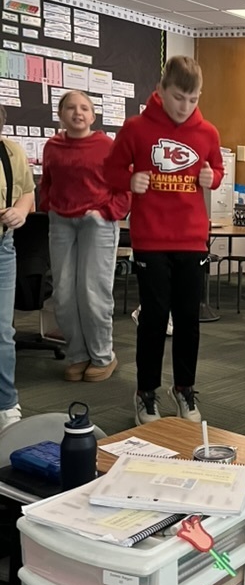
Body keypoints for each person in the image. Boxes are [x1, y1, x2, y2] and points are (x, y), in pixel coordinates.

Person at [104, 56, 223, 426]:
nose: (185, 107)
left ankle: (184, 388)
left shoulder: (208, 133)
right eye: (177, 97)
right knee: (155, 318)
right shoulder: (137, 128)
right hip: (151, 239)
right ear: (160, 90)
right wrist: (129, 181)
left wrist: (211, 178)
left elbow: (216, 169)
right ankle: (146, 392)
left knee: (189, 319)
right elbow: (110, 169)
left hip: (191, 239)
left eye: (192, 99)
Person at [38, 90, 129, 382]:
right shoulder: (52, 146)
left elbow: (125, 186)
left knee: (93, 293)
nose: (78, 113)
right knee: (63, 293)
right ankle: (78, 354)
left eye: (84, 108)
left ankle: (103, 356)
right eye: (71, 108)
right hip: (61, 223)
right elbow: (47, 184)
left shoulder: (106, 145)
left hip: (97, 223)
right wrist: (49, 208)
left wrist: (106, 213)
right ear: (61, 114)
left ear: (92, 115)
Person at [0, 105, 35, 429]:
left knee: (2, 331)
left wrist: (20, 212)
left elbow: (26, 192)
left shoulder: (11, 152)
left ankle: (7, 405)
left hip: (3, 247)